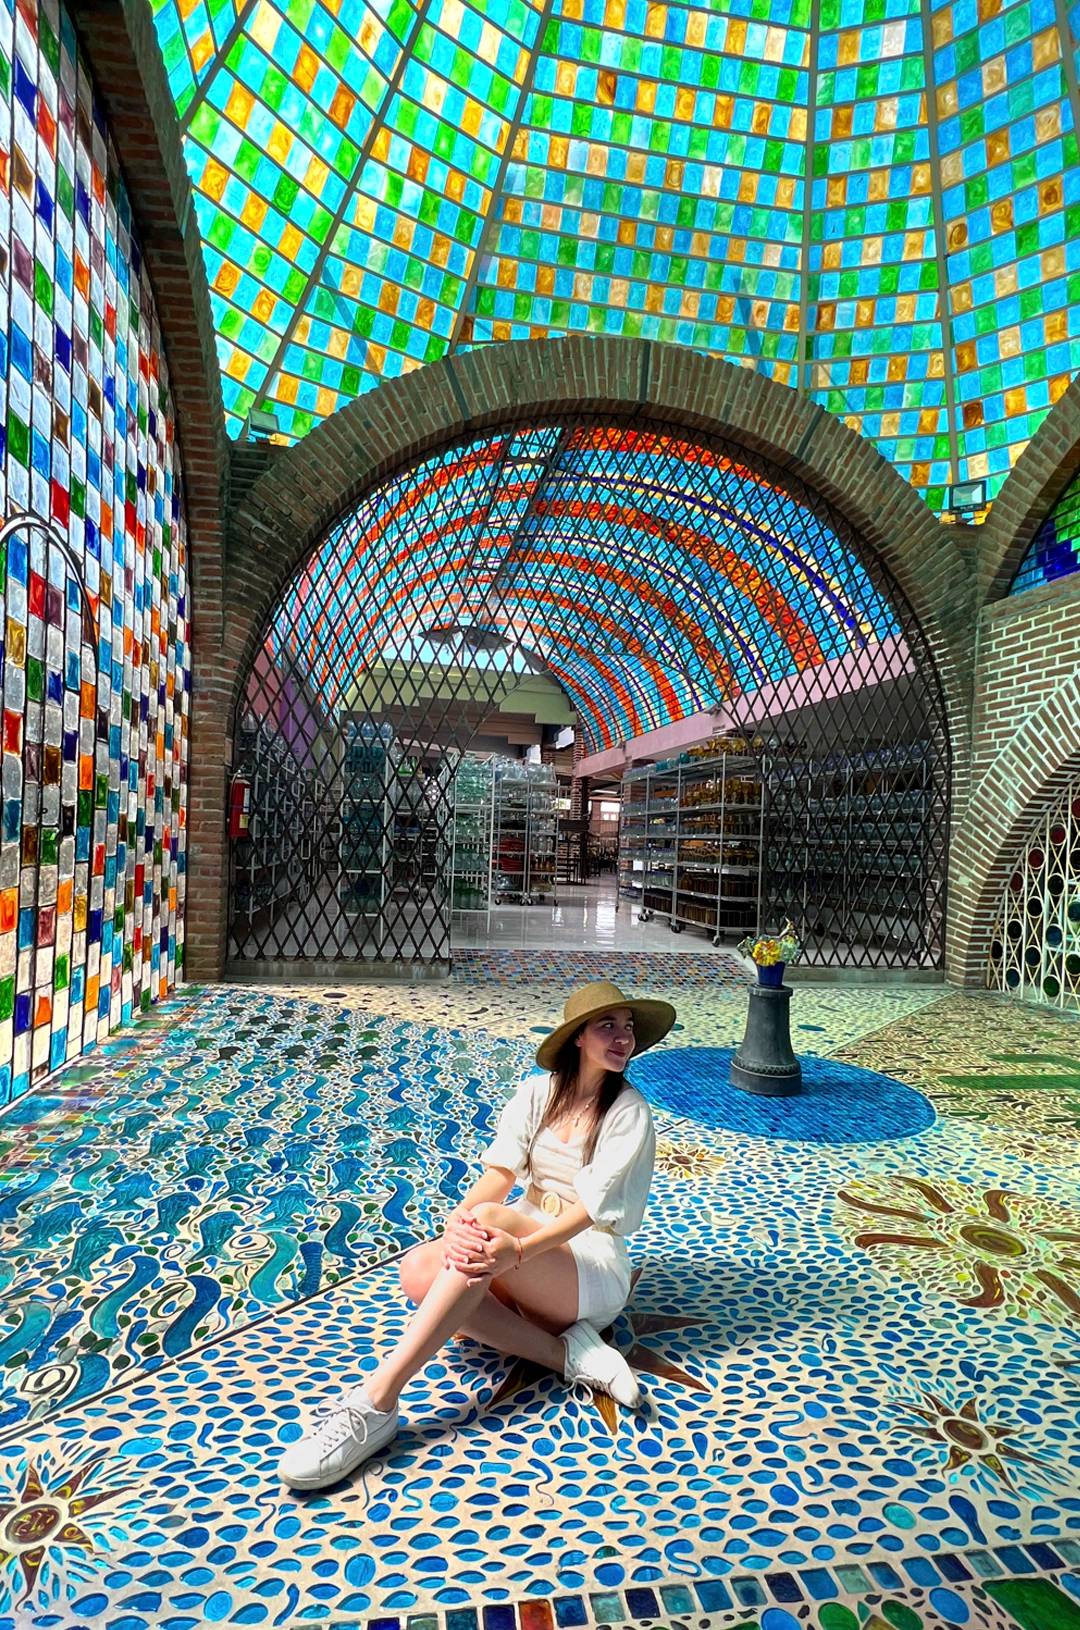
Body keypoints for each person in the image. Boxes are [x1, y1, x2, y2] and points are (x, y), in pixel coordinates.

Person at [280, 981, 675, 1490]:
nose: (623, 1038)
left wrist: (516, 1249)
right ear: (578, 1037)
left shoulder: (629, 1112)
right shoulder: (539, 1091)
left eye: (627, 1028)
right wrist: (459, 1219)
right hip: (524, 1246)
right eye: (608, 1026)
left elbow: (587, 1212)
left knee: (495, 1222)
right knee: (419, 1270)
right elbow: (501, 1173)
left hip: (587, 1266)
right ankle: (566, 1356)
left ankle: (377, 1402)